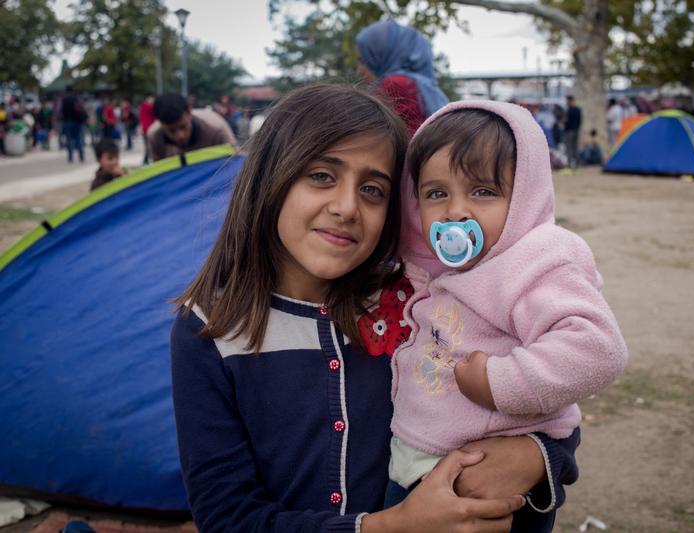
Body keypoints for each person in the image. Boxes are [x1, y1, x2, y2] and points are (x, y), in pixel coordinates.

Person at [171, 84, 579, 532]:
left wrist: (536, 457)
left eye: (372, 189)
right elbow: (226, 516)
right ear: (270, 176)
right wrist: (391, 526)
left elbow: (546, 396)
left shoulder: (420, 301)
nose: (347, 207)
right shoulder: (210, 329)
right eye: (322, 176)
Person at [380, 101, 627, 530]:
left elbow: (597, 348)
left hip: (489, 480)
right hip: (415, 465)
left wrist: (502, 382)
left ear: (524, 196)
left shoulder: (534, 260)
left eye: (483, 192)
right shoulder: (435, 271)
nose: (455, 212)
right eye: (436, 193)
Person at [356, 20, 448, 136]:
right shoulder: (423, 85)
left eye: (364, 60)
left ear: (383, 55)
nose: (359, 71)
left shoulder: (395, 84)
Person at [146, 93, 236, 162]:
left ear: (189, 112)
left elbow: (235, 161)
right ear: (160, 122)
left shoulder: (215, 128)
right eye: (172, 131)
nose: (180, 136)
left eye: (183, 127)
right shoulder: (154, 136)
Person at [60, 86, 87, 163]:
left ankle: (70, 157)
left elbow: (62, 112)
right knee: (78, 139)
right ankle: (81, 156)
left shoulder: (65, 99)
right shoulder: (76, 98)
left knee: (69, 140)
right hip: (78, 122)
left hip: (68, 121)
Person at [563, 96, 581, 171]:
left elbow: (568, 121)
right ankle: (577, 164)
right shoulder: (578, 109)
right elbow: (580, 121)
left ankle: (570, 165)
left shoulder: (570, 110)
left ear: (570, 100)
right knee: (575, 148)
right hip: (576, 131)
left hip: (569, 131)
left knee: (569, 148)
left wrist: (565, 124)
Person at [138, 94, 155, 164]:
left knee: (148, 146)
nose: (153, 100)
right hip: (148, 129)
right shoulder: (148, 107)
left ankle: (146, 160)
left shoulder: (142, 107)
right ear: (148, 99)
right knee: (149, 146)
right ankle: (145, 161)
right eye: (151, 99)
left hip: (146, 129)